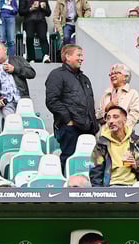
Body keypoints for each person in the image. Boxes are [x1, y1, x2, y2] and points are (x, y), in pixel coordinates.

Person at [46, 44, 96, 172]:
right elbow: (52, 101)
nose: (82, 58)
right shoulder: (57, 75)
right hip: (70, 129)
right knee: (69, 161)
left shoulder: (84, 78)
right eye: (78, 55)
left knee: (89, 163)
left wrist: (94, 125)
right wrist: (68, 120)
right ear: (67, 56)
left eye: (82, 55)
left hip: (88, 129)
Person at [90, 105, 139, 186]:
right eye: (108, 118)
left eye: (115, 117)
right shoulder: (102, 144)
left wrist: (136, 165)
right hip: (111, 188)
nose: (111, 121)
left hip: (135, 186)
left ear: (124, 120)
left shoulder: (136, 141)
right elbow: (95, 173)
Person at [0, 41, 34, 116]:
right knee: (11, 123)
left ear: (5, 50)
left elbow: (31, 73)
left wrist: (15, 69)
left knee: (26, 123)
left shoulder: (17, 59)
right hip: (6, 103)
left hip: (22, 99)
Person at [96, 64, 139, 131]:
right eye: (111, 74)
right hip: (106, 134)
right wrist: (107, 108)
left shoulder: (132, 93)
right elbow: (97, 117)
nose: (113, 75)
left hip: (124, 135)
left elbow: (135, 115)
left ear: (125, 76)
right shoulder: (106, 95)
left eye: (117, 73)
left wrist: (121, 129)